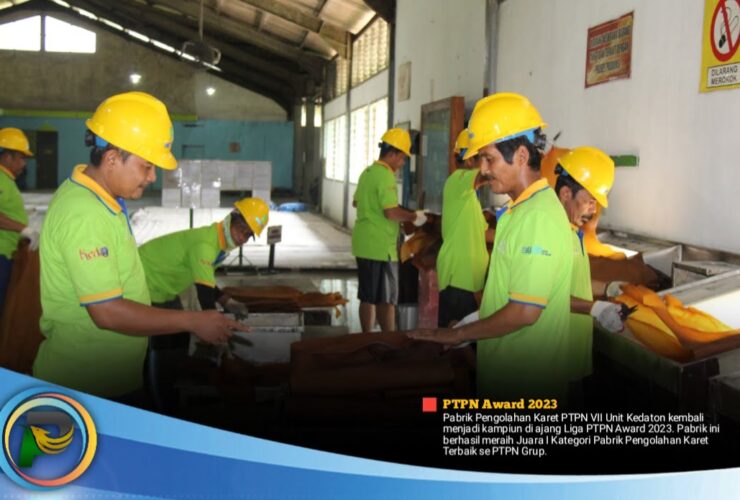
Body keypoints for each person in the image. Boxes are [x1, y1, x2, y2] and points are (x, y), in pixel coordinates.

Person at [33, 91, 246, 402]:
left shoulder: (103, 199)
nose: (152, 177)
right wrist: (193, 320)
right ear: (112, 158)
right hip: (86, 383)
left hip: (107, 375)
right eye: (146, 166)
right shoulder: (84, 214)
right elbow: (106, 312)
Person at [409, 93, 574, 401]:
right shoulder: (519, 211)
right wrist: (472, 322)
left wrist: (459, 333)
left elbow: (524, 312)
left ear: (522, 156)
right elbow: (512, 297)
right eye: (480, 159)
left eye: (489, 159)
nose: (483, 169)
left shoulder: (537, 217)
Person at [137, 197, 267, 411]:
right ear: (230, 219)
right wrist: (217, 330)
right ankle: (156, 401)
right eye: (241, 230)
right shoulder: (206, 245)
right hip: (145, 283)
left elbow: (204, 279)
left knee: (177, 338)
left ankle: (169, 385)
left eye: (247, 235)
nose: (241, 238)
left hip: (166, 287)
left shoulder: (218, 245)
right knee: (157, 344)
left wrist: (228, 301)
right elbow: (204, 294)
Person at [552, 146, 624, 393]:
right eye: (590, 201)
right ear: (565, 193)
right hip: (555, 359)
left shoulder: (573, 232)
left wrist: (608, 288)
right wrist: (595, 308)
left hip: (574, 354)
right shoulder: (552, 235)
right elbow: (542, 295)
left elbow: (573, 282)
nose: (593, 210)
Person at [352, 128, 426, 333]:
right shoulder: (385, 176)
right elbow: (391, 212)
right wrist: (414, 217)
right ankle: (389, 339)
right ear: (392, 154)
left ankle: (366, 338)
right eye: (402, 158)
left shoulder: (367, 173)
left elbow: (356, 202)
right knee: (387, 299)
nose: (402, 163)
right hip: (381, 246)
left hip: (363, 243)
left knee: (367, 296)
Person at [436, 129, 491, 327]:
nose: (487, 164)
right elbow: (485, 177)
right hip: (458, 275)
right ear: (469, 161)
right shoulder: (457, 179)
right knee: (457, 336)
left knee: (465, 336)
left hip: (469, 279)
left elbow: (483, 233)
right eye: (485, 158)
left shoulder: (469, 197)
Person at [0, 128, 37, 311]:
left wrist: (21, 215)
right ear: (7, 157)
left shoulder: (6, 180)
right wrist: (23, 229)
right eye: (21, 158)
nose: (24, 164)